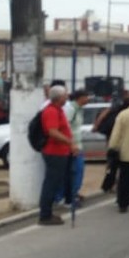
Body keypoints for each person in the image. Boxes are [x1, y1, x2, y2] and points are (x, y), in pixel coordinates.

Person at [38, 86, 74, 226]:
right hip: (54, 152)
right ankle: (45, 215)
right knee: (51, 183)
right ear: (59, 97)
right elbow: (52, 132)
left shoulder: (58, 110)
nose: (67, 97)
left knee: (54, 182)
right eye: (65, 95)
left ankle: (48, 213)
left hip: (60, 151)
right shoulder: (51, 111)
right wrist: (69, 142)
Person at [57, 90, 90, 205]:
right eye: (86, 96)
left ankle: (72, 194)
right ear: (80, 98)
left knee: (77, 172)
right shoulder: (70, 109)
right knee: (74, 172)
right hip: (71, 146)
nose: (88, 99)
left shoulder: (79, 109)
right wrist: (70, 144)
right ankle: (65, 197)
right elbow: (64, 127)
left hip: (77, 145)